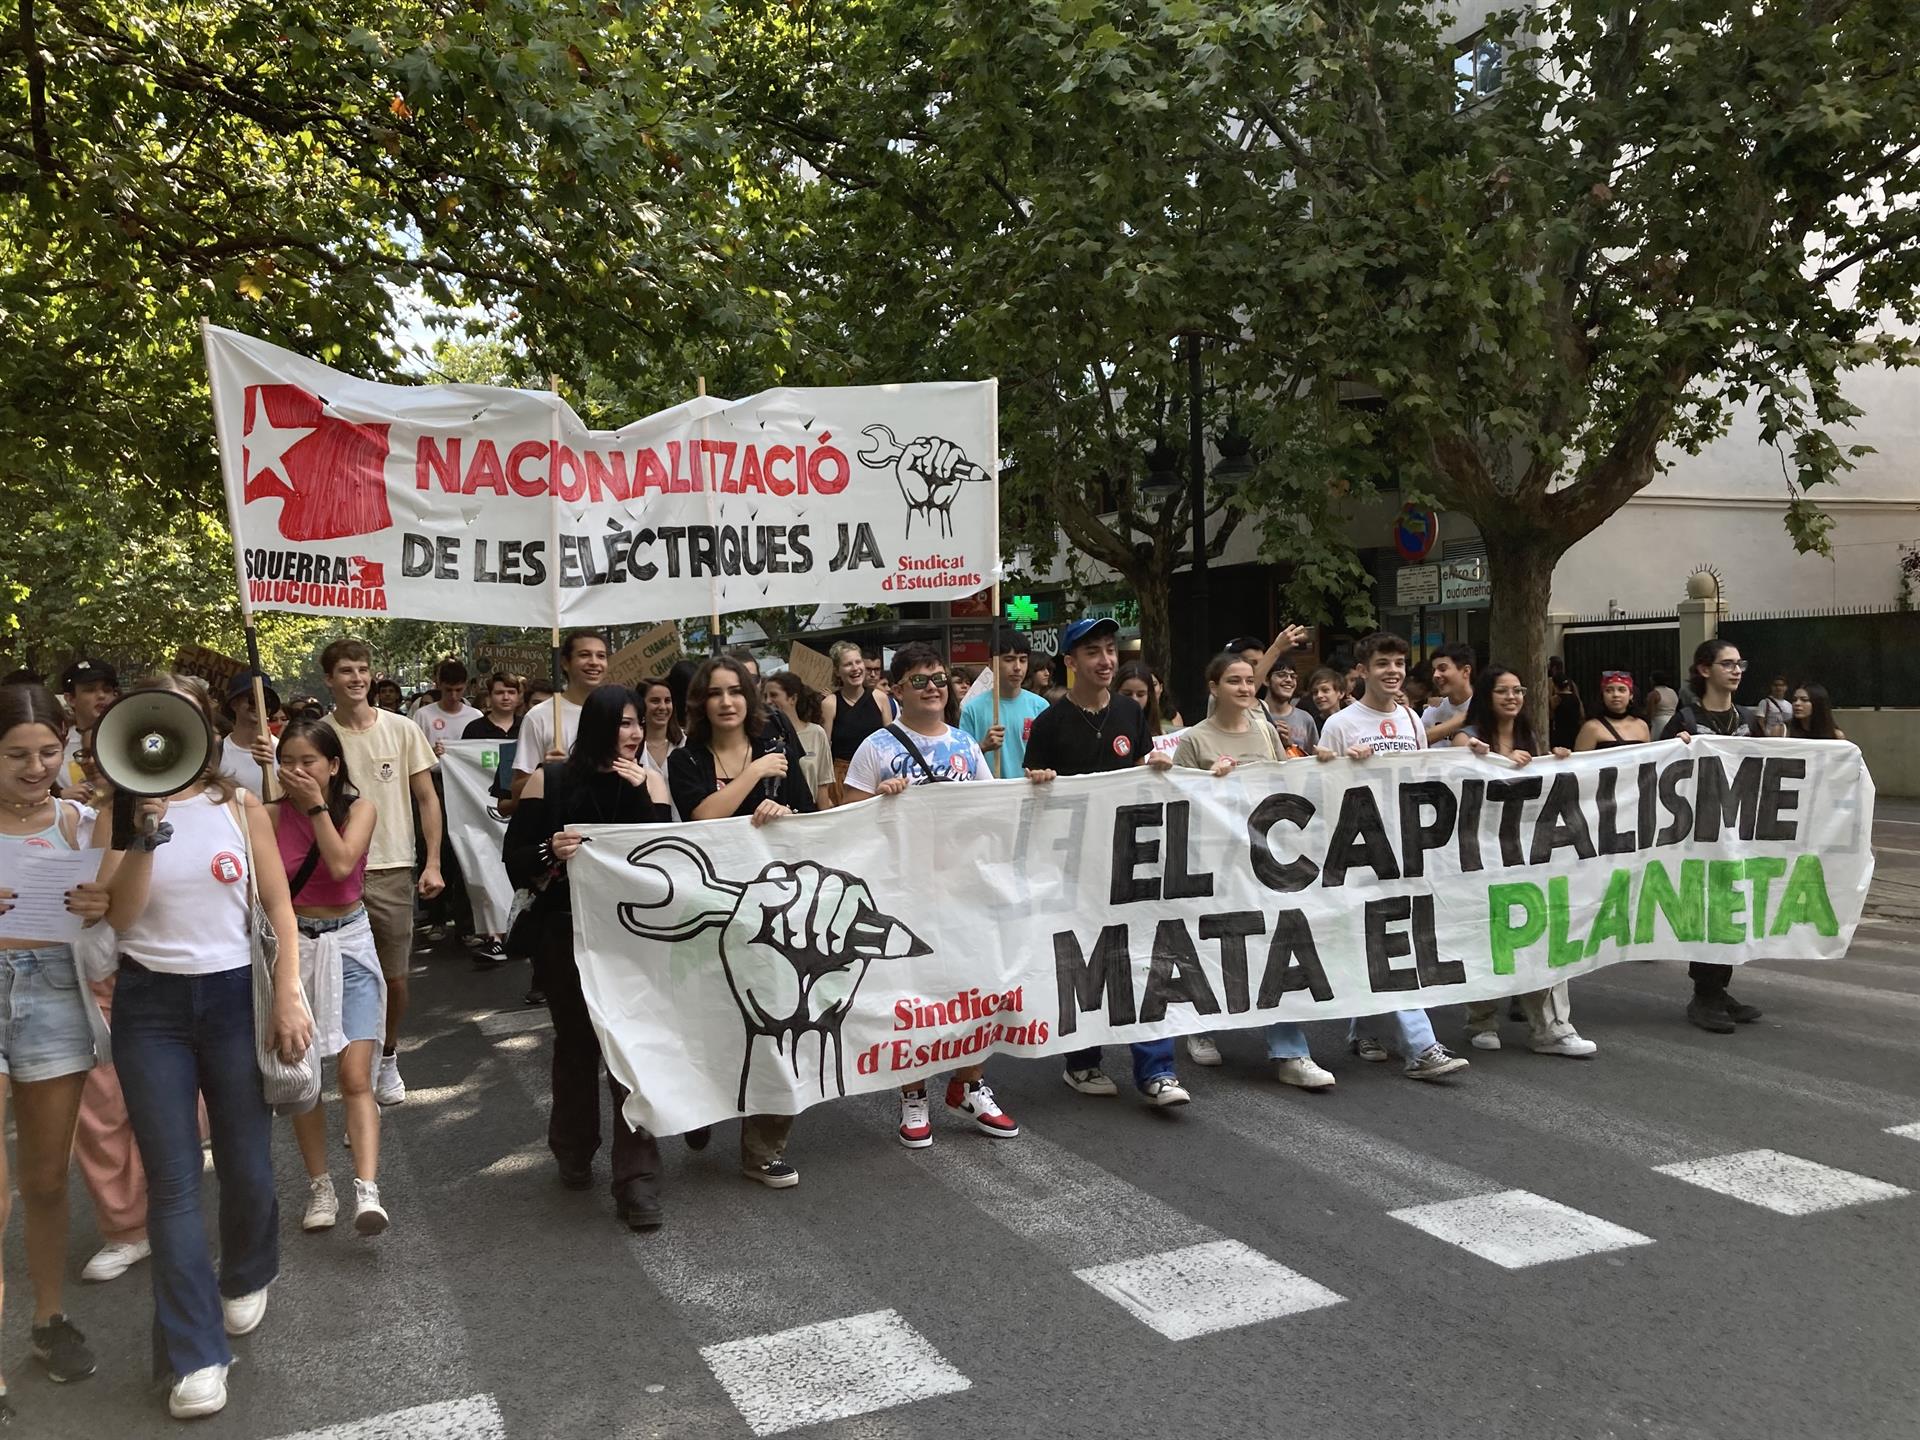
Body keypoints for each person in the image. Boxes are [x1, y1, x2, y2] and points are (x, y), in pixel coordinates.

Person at [101, 674, 311, 1421]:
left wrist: (288, 991)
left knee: (249, 1167)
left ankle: (249, 1269)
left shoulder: (238, 805)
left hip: (231, 1000)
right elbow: (121, 920)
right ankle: (195, 1354)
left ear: (204, 730)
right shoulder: (116, 812)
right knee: (175, 1182)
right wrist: (141, 838)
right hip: (149, 1007)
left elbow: (279, 908)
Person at [842, 644, 1052, 1146]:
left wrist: (1033, 786)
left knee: (975, 990)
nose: (933, 687)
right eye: (919, 680)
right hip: (903, 893)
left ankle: (969, 1083)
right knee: (911, 997)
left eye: (939, 678)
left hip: (964, 891)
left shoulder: (966, 744)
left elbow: (991, 810)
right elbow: (845, 819)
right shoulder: (876, 746)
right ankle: (913, 1094)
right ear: (896, 690)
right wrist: (881, 803)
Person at [505, 686, 675, 1228]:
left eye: (637, 724)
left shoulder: (649, 781)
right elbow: (516, 859)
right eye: (622, 723)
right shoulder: (548, 779)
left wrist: (645, 799)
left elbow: (670, 861)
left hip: (632, 939)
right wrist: (549, 850)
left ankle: (637, 1180)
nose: (632, 733)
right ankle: (574, 1149)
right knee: (578, 1045)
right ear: (598, 727)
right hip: (565, 935)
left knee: (629, 1051)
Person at [0, 683, 116, 1419]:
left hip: (52, 995)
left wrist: (107, 898)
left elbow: (119, 916)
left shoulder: (82, 824)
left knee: (45, 1182)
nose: (37, 766)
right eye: (17, 754)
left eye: (50, 751)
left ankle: (47, 1319)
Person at [1025, 616, 1191, 1107]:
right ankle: (1082, 1061)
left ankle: (1157, 1070)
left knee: (1145, 955)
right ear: (1070, 662)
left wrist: (1153, 768)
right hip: (1074, 865)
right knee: (1084, 959)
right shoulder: (1051, 723)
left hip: (1130, 859)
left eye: (1110, 650)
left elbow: (1140, 769)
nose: (1106, 660)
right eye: (1093, 652)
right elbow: (1030, 790)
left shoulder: (1128, 711)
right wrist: (1039, 781)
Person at [668, 659, 816, 1186]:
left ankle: (764, 1146)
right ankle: (702, 1106)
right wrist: (753, 776)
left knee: (777, 1026)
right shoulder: (685, 759)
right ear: (700, 703)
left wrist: (787, 817)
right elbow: (701, 819)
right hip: (712, 911)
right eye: (715, 693)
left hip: (776, 915)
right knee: (717, 1022)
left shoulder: (780, 753)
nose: (727, 701)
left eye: (736, 691)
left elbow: (808, 816)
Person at [1170, 656, 1336, 1088]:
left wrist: (1324, 762)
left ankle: (1291, 1052)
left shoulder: (1264, 731)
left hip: (1264, 862)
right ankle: (1198, 1025)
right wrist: (1210, 779)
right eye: (1233, 681)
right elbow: (1179, 801)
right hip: (1214, 863)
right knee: (1211, 940)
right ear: (1214, 687)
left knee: (1275, 944)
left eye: (1248, 681)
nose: (1244, 688)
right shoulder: (1194, 739)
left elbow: (1286, 783)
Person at [1314, 632, 1470, 1081]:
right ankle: (1421, 1046)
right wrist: (1346, 766)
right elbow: (1323, 788)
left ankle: (1363, 1028)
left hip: (1404, 848)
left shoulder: (1410, 718)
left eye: (1400, 663)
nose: (1394, 671)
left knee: (1384, 938)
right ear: (1362, 671)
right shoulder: (1342, 724)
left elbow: (1422, 777)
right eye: (1383, 663)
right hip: (1359, 850)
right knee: (1389, 940)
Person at [270, 719, 388, 1238]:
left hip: (352, 944)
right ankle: (320, 1185)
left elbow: (341, 864)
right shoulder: (266, 815)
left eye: (308, 761)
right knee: (305, 1078)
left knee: (355, 1076)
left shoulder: (359, 809)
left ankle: (367, 1190)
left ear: (334, 765)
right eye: (287, 762)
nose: (296, 771)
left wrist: (316, 807)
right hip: (296, 949)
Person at [1451, 667, 1597, 1058]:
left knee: (1543, 930)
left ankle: (1551, 1027)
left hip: (1528, 855)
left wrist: (1558, 763)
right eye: (1503, 691)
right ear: (1486, 695)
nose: (1513, 697)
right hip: (1480, 855)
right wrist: (1484, 758)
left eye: (1518, 690)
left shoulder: (1530, 738)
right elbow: (1454, 777)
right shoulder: (1467, 738)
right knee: (1488, 932)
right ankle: (1481, 1018)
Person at [321, 638, 443, 1106]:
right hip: (337, 870)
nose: (356, 678)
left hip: (393, 867)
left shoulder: (402, 728)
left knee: (393, 977)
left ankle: (387, 1056)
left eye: (363, 669)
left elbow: (427, 798)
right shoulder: (319, 736)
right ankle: (358, 1077)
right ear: (329, 679)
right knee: (345, 978)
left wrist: (432, 862)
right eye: (346, 671)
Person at [1663, 639, 1766, 1034]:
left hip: (1737, 831)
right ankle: (1704, 994)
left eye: (1740, 663)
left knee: (1732, 906)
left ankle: (1719, 989)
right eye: (1727, 664)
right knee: (1708, 908)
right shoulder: (1686, 720)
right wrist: (1676, 749)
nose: (1736, 670)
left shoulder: (1748, 718)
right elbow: (1656, 770)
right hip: (1698, 835)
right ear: (1705, 670)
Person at [512, 632, 611, 803]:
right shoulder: (538, 716)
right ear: (565, 663)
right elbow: (516, 792)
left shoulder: (620, 712)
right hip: (559, 822)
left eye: (601, 656)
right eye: (584, 655)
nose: (594, 662)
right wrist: (547, 772)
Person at [958, 632, 1050, 780]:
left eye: (1023, 660)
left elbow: (1051, 755)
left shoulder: (1040, 706)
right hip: (991, 795)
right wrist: (983, 746)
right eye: (1009, 660)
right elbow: (961, 760)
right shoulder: (972, 709)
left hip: (1029, 792)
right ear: (992, 664)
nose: (1017, 667)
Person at [821, 639, 896, 804]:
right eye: (848, 664)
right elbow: (824, 751)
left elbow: (891, 744)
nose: (855, 668)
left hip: (878, 775)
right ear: (837, 671)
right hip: (843, 778)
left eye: (858, 662)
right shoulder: (830, 703)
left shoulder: (880, 698)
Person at [760, 672, 830, 805]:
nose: (768, 701)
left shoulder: (817, 733)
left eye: (774, 695)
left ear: (792, 698)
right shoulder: (763, 738)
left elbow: (822, 786)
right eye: (765, 696)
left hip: (807, 814)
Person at [56, 657, 119, 804]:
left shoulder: (129, 738)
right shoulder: (56, 744)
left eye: (107, 689)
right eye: (90, 690)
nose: (101, 695)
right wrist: (59, 796)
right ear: (70, 699)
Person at [215, 670, 279, 800]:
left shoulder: (282, 750)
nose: (259, 705)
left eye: (266, 700)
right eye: (252, 699)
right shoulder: (216, 753)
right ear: (234, 704)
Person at [1575, 671, 1652, 750]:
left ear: (1631, 695)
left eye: (1622, 690)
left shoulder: (1642, 726)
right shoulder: (1591, 727)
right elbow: (1579, 760)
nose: (1616, 695)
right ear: (1602, 695)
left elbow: (1650, 758)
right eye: (1609, 690)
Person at [1420, 642, 1475, 745]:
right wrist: (1457, 722)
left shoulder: (1486, 708)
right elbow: (1416, 744)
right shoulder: (1432, 712)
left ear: (1466, 671)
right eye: (1434, 670)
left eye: (1442, 669)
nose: (1436, 675)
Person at [1263, 662, 1319, 754]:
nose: (1289, 680)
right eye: (1281, 675)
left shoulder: (1305, 718)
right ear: (1266, 680)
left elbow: (1313, 759)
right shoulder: (1255, 715)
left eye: (1293, 676)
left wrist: (1289, 745)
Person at [1546, 656, 1583, 752]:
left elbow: (1550, 713)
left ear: (1553, 668)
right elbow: (1581, 709)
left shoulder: (1550, 683)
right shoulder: (1571, 684)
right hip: (1574, 730)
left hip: (1560, 731)